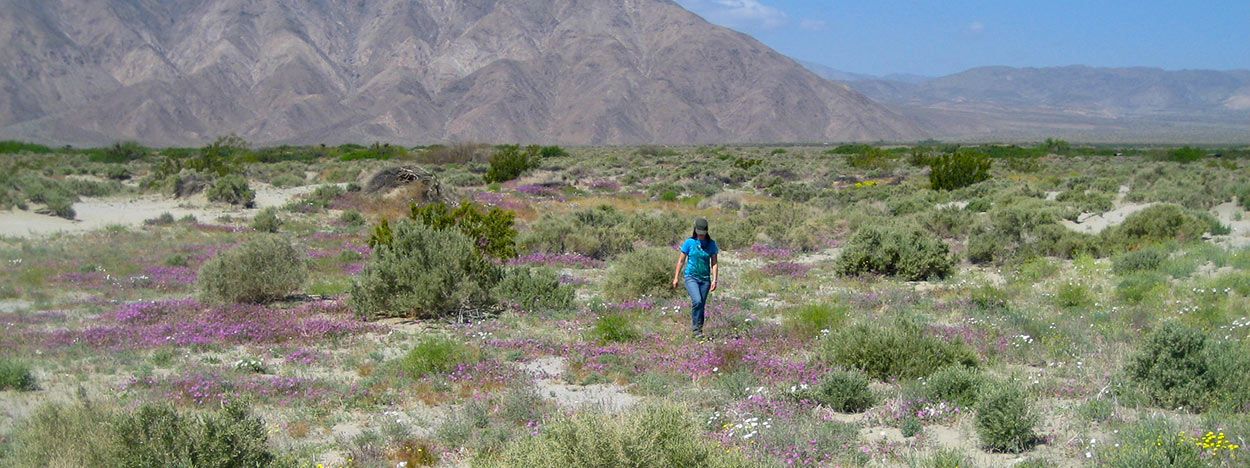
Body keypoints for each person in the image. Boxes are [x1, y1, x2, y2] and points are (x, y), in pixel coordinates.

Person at [672, 218, 719, 339]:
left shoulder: (711, 244)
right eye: (699, 232)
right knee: (697, 301)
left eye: (702, 232)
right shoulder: (689, 242)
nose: (701, 234)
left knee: (701, 305)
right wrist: (676, 277)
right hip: (691, 277)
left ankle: (699, 331)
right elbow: (681, 260)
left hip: (705, 279)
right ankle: (695, 329)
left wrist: (715, 279)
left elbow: (714, 262)